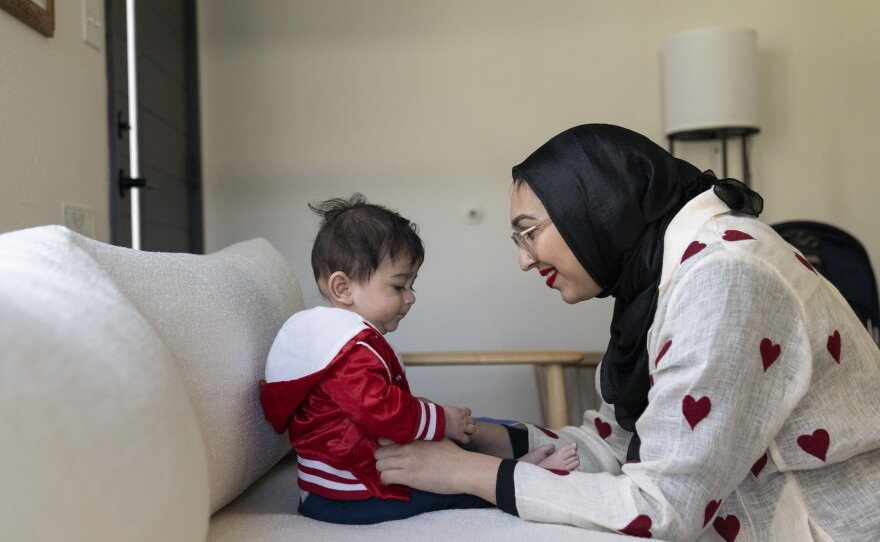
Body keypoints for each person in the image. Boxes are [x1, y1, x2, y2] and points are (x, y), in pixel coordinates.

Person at [375, 124, 880, 540]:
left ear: (592, 206)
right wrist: (480, 438)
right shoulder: (656, 280)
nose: (523, 260)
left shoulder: (722, 275)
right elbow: (620, 444)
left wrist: (464, 473)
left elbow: (663, 508)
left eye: (529, 232)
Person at [260, 194, 578, 525]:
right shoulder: (346, 351)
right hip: (351, 491)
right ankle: (525, 479)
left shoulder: (331, 342)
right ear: (343, 288)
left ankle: (515, 466)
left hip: (340, 483)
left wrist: (426, 417)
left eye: (412, 284)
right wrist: (440, 418)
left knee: (443, 445)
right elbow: (377, 410)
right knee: (452, 484)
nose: (411, 297)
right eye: (399, 286)